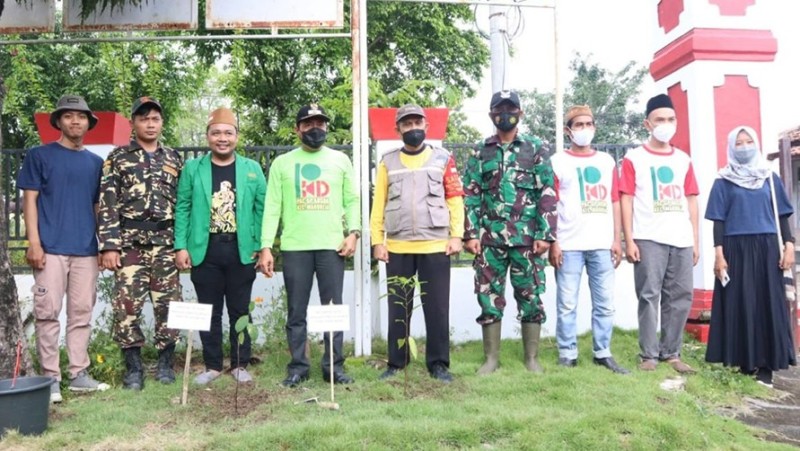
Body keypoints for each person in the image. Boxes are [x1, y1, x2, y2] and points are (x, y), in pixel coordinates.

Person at [258, 104, 360, 387]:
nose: (315, 129)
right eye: (308, 123)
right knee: (296, 312)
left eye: (320, 123)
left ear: (326, 127)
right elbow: (272, 207)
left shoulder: (340, 160)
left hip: (331, 246)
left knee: (332, 309)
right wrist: (266, 245)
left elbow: (352, 199)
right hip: (295, 247)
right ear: (297, 128)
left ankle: (334, 367)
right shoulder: (282, 164)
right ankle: (298, 367)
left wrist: (354, 233)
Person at [17, 94, 109, 403]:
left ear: (88, 123)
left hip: (85, 250)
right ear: (58, 121)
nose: (75, 121)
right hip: (50, 249)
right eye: (68, 116)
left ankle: (79, 373)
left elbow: (98, 207)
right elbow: (29, 200)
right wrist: (34, 242)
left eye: (81, 117)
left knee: (82, 313)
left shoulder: (96, 163)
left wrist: (103, 243)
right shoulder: (39, 155)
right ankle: (50, 378)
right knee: (48, 314)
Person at [463, 90, 557, 374]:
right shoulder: (481, 151)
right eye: (499, 110)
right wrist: (470, 234)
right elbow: (471, 195)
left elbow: (548, 193)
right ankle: (491, 359)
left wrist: (545, 234)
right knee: (488, 296)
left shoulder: (536, 148)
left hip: (527, 241)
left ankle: (531, 358)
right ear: (492, 115)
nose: (505, 115)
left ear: (521, 113)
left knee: (530, 296)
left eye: (510, 109)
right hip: (490, 241)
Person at [370, 104, 464, 383]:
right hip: (398, 247)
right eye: (406, 124)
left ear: (426, 127)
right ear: (398, 129)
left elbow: (454, 198)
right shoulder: (388, 162)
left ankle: (438, 364)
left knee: (437, 309)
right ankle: (397, 363)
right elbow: (379, 205)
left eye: (417, 123)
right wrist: (378, 241)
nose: (413, 129)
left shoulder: (443, 158)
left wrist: (456, 235)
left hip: (435, 245)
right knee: (398, 307)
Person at [174, 107, 267, 384]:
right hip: (205, 249)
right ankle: (212, 366)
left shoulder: (251, 169)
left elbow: (262, 210)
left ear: (236, 136)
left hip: (242, 249)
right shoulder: (193, 168)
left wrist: (263, 247)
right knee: (209, 310)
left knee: (241, 309)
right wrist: (181, 246)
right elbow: (183, 207)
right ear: (208, 136)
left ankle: (240, 363)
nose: (222, 138)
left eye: (228, 132)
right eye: (216, 133)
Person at [97, 97, 183, 390]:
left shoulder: (173, 158)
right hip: (129, 244)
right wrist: (109, 245)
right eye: (143, 118)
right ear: (133, 123)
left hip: (165, 244)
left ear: (161, 123)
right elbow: (107, 201)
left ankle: (165, 365)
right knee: (127, 307)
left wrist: (182, 245)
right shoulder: (118, 157)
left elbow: (182, 205)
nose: (150, 123)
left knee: (169, 306)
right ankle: (133, 369)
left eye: (155, 118)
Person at [705, 125, 796, 387]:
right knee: (740, 302)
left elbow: (782, 215)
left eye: (748, 142)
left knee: (767, 302)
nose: (744, 147)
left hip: (767, 247)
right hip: (735, 248)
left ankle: (766, 366)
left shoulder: (769, 177)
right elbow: (718, 221)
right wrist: (719, 255)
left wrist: (789, 245)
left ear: (755, 144)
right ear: (731, 147)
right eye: (739, 143)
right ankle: (745, 362)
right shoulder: (723, 180)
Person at [620, 93, 699, 373]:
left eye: (670, 119)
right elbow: (626, 199)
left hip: (681, 237)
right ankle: (648, 354)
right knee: (649, 295)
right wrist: (628, 239)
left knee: (680, 296)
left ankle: (672, 353)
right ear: (647, 124)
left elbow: (691, 199)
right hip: (648, 237)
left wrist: (695, 240)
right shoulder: (634, 158)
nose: (666, 124)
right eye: (659, 120)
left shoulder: (683, 159)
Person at [549, 105, 629, 374]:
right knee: (567, 303)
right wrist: (554, 241)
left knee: (605, 303)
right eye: (579, 125)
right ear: (568, 131)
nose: (585, 129)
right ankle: (567, 352)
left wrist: (617, 239)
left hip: (601, 244)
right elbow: (551, 203)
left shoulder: (606, 161)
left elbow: (615, 201)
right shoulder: (558, 161)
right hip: (569, 244)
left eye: (588, 124)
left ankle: (602, 352)